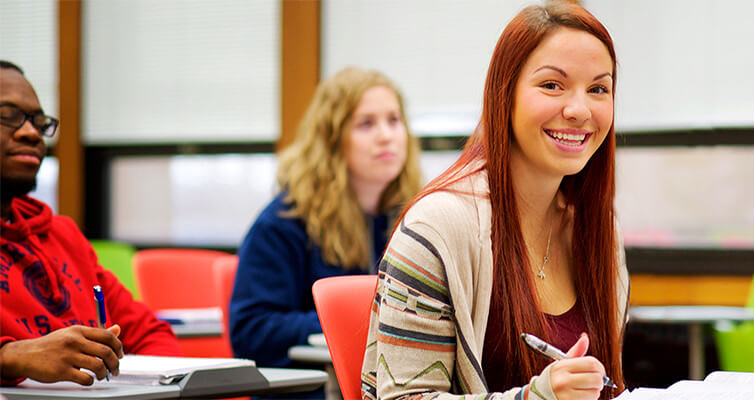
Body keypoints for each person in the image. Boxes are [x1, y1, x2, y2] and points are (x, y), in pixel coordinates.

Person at [360, 2, 628, 400]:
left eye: (598, 89)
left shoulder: (597, 229)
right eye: (552, 85)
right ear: (506, 95)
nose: (579, 110)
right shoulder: (437, 227)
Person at [0, 60, 182, 386]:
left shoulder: (62, 234)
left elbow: (150, 333)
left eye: (38, 121)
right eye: (8, 115)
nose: (30, 132)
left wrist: (159, 387)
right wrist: (12, 357)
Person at [229, 67, 422, 371]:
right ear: (332, 140)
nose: (386, 136)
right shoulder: (282, 224)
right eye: (366, 124)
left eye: (394, 120)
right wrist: (354, 318)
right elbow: (252, 331)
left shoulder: (414, 219)